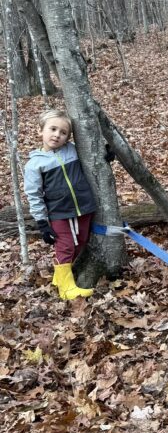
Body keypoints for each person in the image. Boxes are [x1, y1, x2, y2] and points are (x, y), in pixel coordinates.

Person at [23, 109, 98, 299]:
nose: (57, 135)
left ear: (68, 137)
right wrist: (42, 222)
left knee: (81, 243)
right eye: (53, 129)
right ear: (40, 131)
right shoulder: (35, 164)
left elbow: (92, 155)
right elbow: (34, 194)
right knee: (65, 246)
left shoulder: (72, 150)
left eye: (63, 132)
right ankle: (66, 289)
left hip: (83, 207)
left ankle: (59, 277)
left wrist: (104, 155)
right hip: (59, 212)